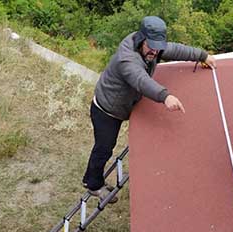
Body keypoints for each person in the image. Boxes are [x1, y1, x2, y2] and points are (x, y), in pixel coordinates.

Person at [83, 15, 217, 201]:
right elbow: (141, 80)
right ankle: (93, 184)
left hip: (124, 103)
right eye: (151, 46)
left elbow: (175, 49)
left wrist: (202, 55)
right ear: (141, 39)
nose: (155, 52)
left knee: (106, 147)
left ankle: (93, 179)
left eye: (157, 47)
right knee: (104, 148)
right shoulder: (127, 59)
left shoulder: (151, 47)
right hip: (107, 109)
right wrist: (165, 96)